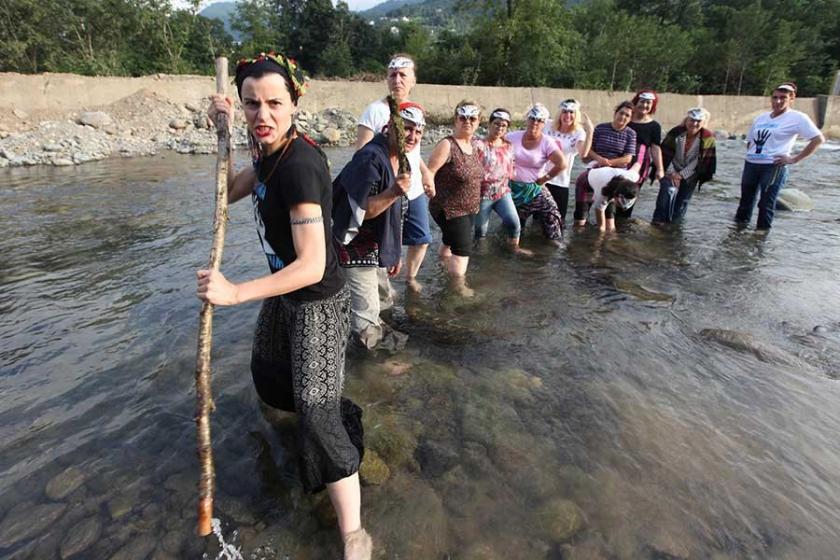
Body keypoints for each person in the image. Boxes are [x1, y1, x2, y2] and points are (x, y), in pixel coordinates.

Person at [200, 53, 372, 560]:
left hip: (316, 299)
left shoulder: (298, 165)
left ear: (295, 103)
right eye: (252, 104)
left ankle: (353, 531)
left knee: (317, 416)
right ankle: (328, 414)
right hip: (285, 294)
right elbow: (228, 192)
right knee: (268, 374)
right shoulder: (267, 152)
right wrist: (222, 130)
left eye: (275, 103)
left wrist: (234, 292)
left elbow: (313, 266)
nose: (263, 114)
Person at [333, 103, 425, 350]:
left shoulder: (399, 157)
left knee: (385, 302)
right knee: (366, 316)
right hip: (354, 249)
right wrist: (394, 191)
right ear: (389, 127)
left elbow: (395, 212)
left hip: (376, 246)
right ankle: (372, 367)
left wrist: (393, 252)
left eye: (418, 132)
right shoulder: (371, 158)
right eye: (406, 129)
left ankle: (382, 344)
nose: (412, 136)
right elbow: (361, 211)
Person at [354, 54, 434, 290]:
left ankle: (410, 278)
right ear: (387, 79)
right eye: (392, 75)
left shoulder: (416, 111)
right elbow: (362, 155)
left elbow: (414, 150)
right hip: (388, 189)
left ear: (413, 81)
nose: (397, 80)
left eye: (403, 75)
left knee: (422, 239)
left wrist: (427, 173)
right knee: (384, 242)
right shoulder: (374, 111)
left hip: (414, 188)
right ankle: (382, 289)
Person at [735, 82, 825, 231]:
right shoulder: (761, 118)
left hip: (773, 166)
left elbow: (818, 139)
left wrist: (794, 159)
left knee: (765, 203)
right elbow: (750, 141)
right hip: (751, 164)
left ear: (791, 99)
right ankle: (738, 234)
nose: (777, 101)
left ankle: (760, 237)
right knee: (745, 202)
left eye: (782, 98)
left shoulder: (798, 118)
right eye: (775, 97)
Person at [427, 100, 484, 293]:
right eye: (463, 117)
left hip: (469, 208)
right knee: (462, 249)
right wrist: (429, 194)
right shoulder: (447, 145)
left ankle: (442, 267)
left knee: (449, 241)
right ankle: (458, 289)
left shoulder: (474, 145)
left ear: (478, 122)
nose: (467, 121)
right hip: (449, 208)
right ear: (455, 120)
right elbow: (430, 172)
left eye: (472, 118)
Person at [506, 103, 567, 245]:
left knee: (552, 216)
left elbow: (562, 164)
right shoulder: (511, 137)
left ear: (544, 123)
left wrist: (545, 178)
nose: (535, 122)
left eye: (540, 120)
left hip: (534, 189)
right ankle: (511, 252)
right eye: (532, 118)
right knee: (513, 228)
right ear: (527, 119)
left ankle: (554, 250)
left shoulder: (547, 142)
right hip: (513, 189)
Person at [473, 108, 530, 254]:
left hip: (502, 192)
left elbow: (511, 167)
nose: (499, 128)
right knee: (480, 231)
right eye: (496, 124)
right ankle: (479, 256)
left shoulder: (508, 146)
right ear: (489, 124)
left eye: (503, 126)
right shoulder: (478, 145)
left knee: (514, 224)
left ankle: (514, 249)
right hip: (482, 194)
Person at [574, 101, 636, 227]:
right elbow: (589, 149)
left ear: (630, 119)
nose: (623, 117)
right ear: (615, 113)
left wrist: (609, 163)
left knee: (609, 221)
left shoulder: (631, 134)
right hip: (595, 170)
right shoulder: (601, 128)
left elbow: (628, 158)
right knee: (581, 219)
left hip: (615, 178)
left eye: (627, 116)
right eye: (621, 113)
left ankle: (604, 242)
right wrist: (600, 159)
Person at [652, 107, 717, 225]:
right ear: (686, 120)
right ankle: (658, 222)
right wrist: (672, 174)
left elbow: (699, 162)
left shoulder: (708, 138)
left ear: (703, 122)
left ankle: (674, 227)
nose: (694, 123)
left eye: (698, 121)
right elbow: (665, 155)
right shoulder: (675, 132)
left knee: (682, 201)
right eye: (692, 120)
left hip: (691, 173)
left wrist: (680, 176)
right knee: (665, 193)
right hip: (670, 169)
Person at [544, 98, 593, 228]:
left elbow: (583, 154)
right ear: (559, 113)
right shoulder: (547, 125)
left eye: (572, 112)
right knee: (538, 219)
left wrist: (590, 132)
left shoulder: (578, 133)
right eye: (565, 111)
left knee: (558, 221)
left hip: (560, 181)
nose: (568, 115)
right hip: (541, 179)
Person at [625, 90, 665, 217]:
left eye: (648, 103)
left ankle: (623, 223)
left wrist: (660, 169)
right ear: (636, 102)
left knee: (630, 193)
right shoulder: (626, 119)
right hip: (620, 160)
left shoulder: (654, 126)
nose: (644, 105)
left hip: (640, 165)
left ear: (652, 106)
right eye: (642, 102)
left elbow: (655, 148)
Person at [576, 159, 643, 232]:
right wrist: (600, 240)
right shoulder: (603, 192)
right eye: (619, 203)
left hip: (610, 184)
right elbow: (601, 226)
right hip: (585, 182)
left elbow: (637, 164)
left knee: (610, 226)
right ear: (615, 195)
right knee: (581, 221)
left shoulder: (632, 177)